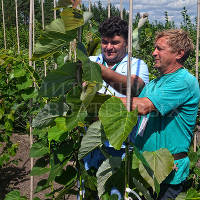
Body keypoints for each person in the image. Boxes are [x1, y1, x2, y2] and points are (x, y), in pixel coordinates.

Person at [120, 29, 200, 200]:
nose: (153, 52)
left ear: (179, 53)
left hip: (168, 171)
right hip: (145, 167)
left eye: (159, 48)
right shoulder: (154, 84)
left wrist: (101, 101)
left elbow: (143, 106)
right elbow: (133, 112)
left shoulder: (184, 82)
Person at [82, 16, 149, 199]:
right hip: (92, 144)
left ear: (126, 43)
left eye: (115, 42)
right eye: (105, 42)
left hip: (121, 147)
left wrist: (101, 72)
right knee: (89, 191)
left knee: (116, 193)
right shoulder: (91, 59)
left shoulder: (136, 65)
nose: (108, 47)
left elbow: (135, 88)